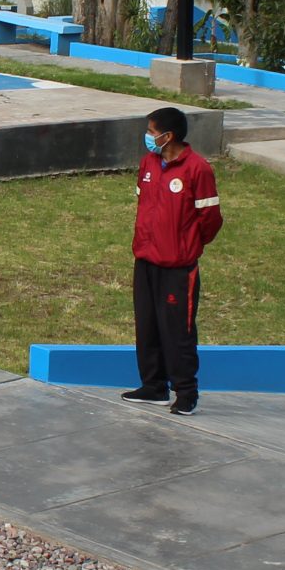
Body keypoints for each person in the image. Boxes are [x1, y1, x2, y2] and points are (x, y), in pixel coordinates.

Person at [121, 106, 225, 416]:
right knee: (148, 325)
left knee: (177, 331)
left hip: (178, 267)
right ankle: (154, 386)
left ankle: (186, 392)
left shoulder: (197, 169)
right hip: (146, 260)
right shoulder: (148, 163)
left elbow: (210, 219)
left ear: (169, 136)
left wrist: (187, 244)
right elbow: (145, 204)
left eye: (152, 132)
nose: (148, 137)